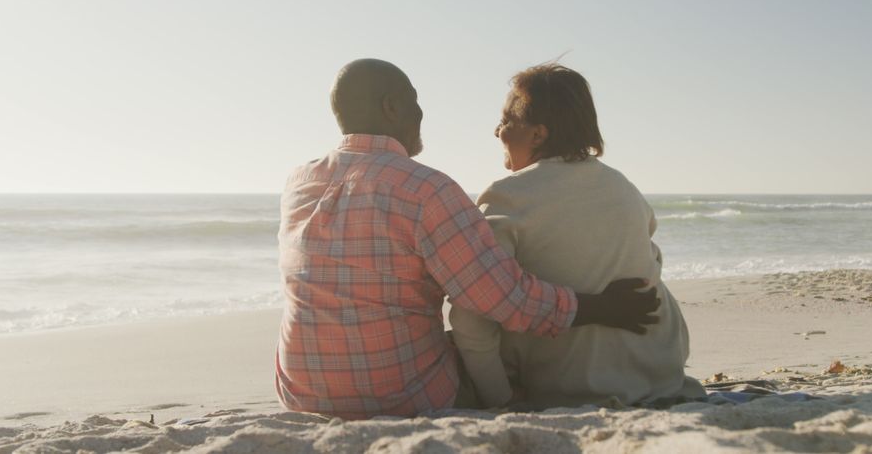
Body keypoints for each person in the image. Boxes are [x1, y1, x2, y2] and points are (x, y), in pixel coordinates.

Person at [275, 58, 661, 420]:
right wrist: (599, 308)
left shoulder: (298, 183)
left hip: (300, 394)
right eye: (415, 103)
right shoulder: (426, 189)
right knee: (485, 342)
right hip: (401, 397)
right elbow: (501, 297)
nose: (421, 115)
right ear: (391, 107)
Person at [450, 62, 706, 409]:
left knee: (459, 334)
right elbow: (650, 265)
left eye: (506, 121)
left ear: (538, 135)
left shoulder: (508, 195)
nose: (497, 132)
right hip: (658, 374)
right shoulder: (623, 186)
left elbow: (472, 315)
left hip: (572, 386)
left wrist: (500, 399)